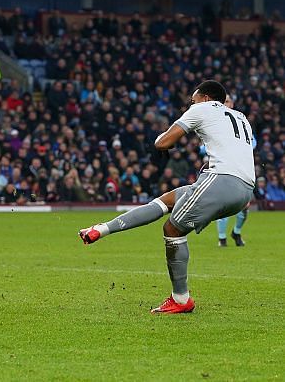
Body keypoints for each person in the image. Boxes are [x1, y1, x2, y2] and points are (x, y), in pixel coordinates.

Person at [78, 81, 255, 314]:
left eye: (193, 100)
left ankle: (181, 299)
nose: (191, 104)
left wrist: (158, 148)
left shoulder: (202, 108)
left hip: (222, 181)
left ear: (205, 97)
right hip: (245, 188)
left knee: (172, 230)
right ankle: (101, 229)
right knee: (168, 200)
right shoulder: (241, 117)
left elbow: (163, 141)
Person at [216, 94, 253, 247]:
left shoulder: (241, 119)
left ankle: (236, 232)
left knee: (244, 207)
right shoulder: (216, 121)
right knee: (224, 205)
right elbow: (203, 146)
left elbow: (253, 141)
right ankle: (222, 238)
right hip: (222, 168)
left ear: (232, 103)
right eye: (224, 101)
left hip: (242, 168)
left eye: (228, 101)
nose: (227, 104)